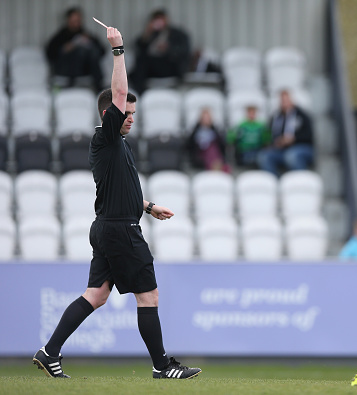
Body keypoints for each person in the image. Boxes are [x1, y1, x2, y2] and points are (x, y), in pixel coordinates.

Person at [33, 24, 201, 380]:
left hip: (109, 226)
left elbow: (120, 190)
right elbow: (119, 91)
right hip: (120, 232)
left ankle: (49, 352)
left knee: (96, 294)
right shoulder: (108, 137)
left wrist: (147, 205)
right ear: (111, 113)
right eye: (127, 112)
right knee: (149, 295)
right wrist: (119, 48)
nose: (131, 118)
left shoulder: (117, 146)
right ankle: (161, 366)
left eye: (133, 114)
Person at [130, 9, 191, 93]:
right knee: (139, 66)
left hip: (171, 66)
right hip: (153, 67)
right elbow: (139, 49)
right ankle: (140, 93)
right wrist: (147, 34)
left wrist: (168, 49)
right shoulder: (151, 34)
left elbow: (184, 51)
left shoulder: (177, 34)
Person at [45, 7, 105, 92]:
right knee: (78, 52)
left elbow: (102, 51)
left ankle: (98, 86)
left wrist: (89, 43)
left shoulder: (86, 35)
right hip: (66, 69)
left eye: (78, 21)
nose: (76, 24)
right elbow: (50, 54)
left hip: (85, 70)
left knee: (92, 51)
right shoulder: (60, 36)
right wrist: (65, 49)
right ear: (68, 20)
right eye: (73, 21)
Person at [257, 90, 314, 176]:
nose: (284, 103)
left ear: (292, 100)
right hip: (281, 150)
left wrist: (293, 139)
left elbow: (309, 135)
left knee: (292, 155)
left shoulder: (302, 115)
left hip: (302, 147)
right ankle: (277, 184)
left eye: (286, 100)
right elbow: (269, 134)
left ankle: (300, 181)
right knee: (264, 156)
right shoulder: (276, 117)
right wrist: (275, 143)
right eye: (282, 101)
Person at [187, 108, 230, 172]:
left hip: (214, 152)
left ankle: (216, 166)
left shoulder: (214, 129)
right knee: (209, 150)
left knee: (212, 148)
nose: (206, 120)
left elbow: (221, 143)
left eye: (207, 118)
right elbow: (190, 144)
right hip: (201, 153)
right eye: (204, 118)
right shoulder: (196, 130)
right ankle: (216, 167)